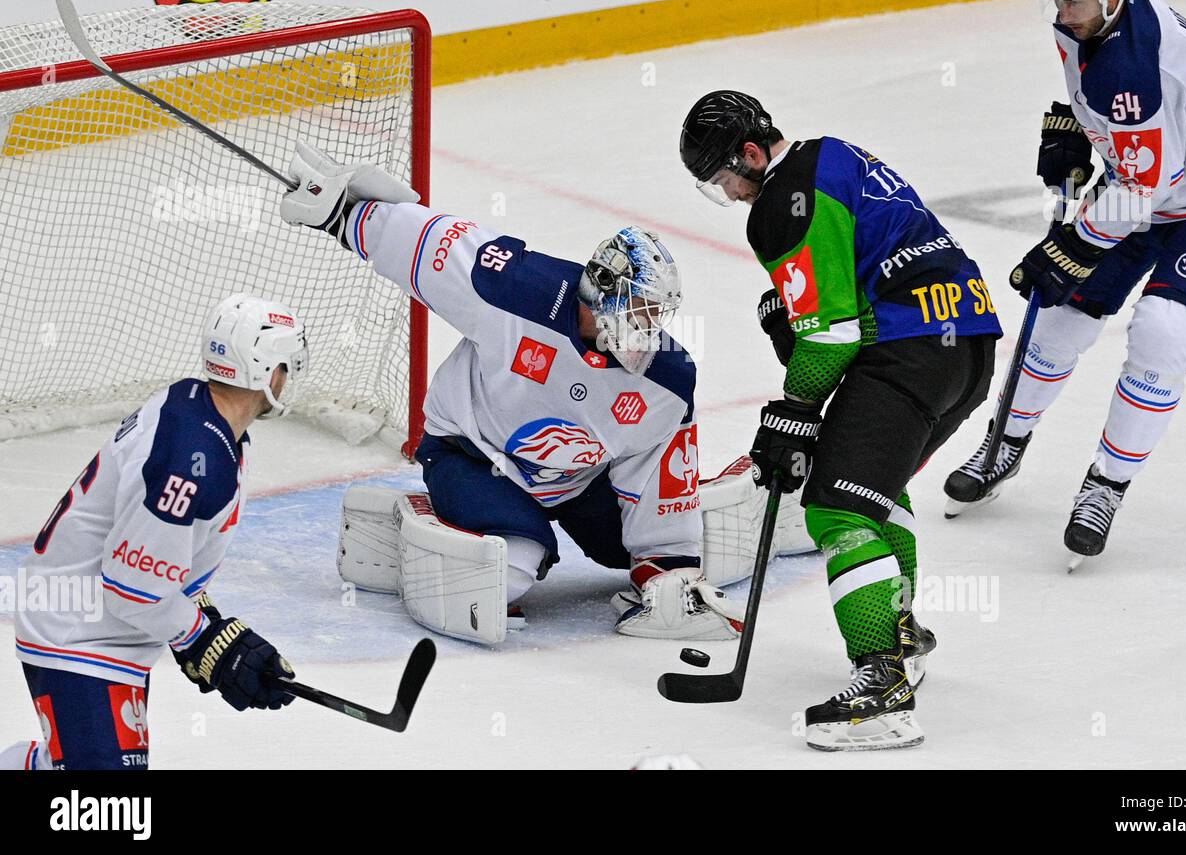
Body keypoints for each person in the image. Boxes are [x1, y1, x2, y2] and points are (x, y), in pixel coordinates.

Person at [279, 144, 743, 643]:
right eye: (637, 309)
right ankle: (417, 531)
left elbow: (654, 468)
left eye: (657, 314)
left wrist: (667, 564)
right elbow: (434, 243)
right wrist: (346, 214)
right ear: (601, 290)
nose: (648, 328)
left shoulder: (667, 378)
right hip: (473, 453)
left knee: (627, 554)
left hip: (576, 481)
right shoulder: (517, 288)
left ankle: (487, 536)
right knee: (512, 568)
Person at [679, 91, 1002, 750]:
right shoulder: (834, 155)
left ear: (748, 152)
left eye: (724, 177)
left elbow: (832, 337)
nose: (732, 193)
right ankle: (900, 633)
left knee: (835, 509)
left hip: (908, 351)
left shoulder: (779, 202)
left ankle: (882, 682)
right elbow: (841, 298)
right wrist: (793, 338)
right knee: (872, 488)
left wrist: (791, 411)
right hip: (967, 346)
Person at [944, 0, 1186, 561]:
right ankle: (1005, 443)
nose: (1063, 14)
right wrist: (1075, 123)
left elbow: (1147, 186)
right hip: (1150, 176)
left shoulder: (1134, 61)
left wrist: (1070, 243)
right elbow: (1123, 129)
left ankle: (1106, 484)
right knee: (1061, 315)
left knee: (1163, 333)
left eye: (1073, 0)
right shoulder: (1093, 8)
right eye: (1055, 0)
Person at [3, 295, 307, 770]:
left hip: (103, 627)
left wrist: (211, 628)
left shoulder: (198, 411)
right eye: (287, 367)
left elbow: (153, 554)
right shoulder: (193, 456)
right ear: (269, 372)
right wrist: (203, 640)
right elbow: (134, 589)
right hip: (76, 634)